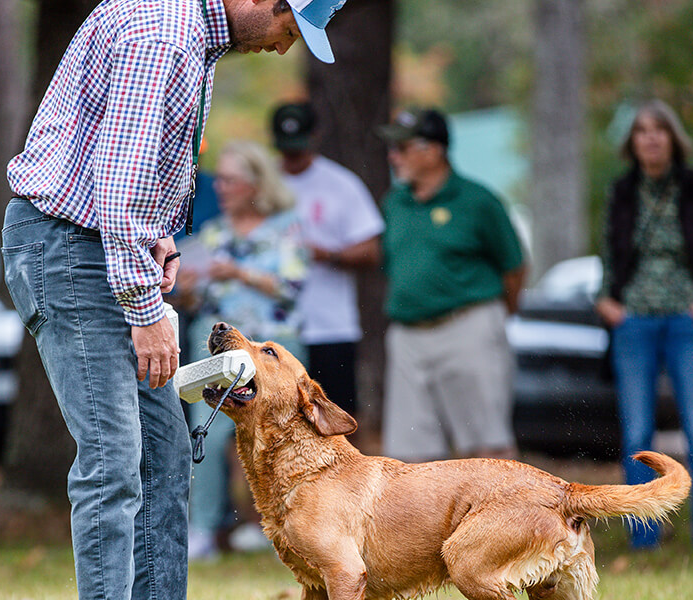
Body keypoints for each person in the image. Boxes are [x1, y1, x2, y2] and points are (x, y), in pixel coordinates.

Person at [1, 1, 349, 597]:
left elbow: (123, 179)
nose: (284, 46)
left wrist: (159, 240)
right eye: (290, 29)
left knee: (163, 457)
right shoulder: (163, 37)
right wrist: (146, 310)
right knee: (113, 463)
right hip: (70, 252)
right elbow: (113, 192)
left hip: (106, 248)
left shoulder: (196, 42)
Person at [595, 99, 693, 552]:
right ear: (632, 142)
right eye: (642, 131)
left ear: (673, 138)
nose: (651, 138)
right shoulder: (623, 191)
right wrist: (606, 300)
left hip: (687, 321)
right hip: (634, 322)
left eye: (660, 130)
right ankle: (644, 538)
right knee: (636, 433)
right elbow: (609, 255)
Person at [176, 139, 307, 559]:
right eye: (222, 180)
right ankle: (203, 529)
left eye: (231, 180)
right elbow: (195, 301)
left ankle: (289, 526)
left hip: (273, 347)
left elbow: (293, 287)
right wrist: (189, 292)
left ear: (255, 184)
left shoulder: (286, 227)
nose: (222, 187)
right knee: (208, 436)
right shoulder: (211, 233)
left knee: (280, 436)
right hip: (216, 353)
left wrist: (238, 272)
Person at [377, 108, 526, 463]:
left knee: (487, 449)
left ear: (433, 150)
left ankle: (507, 519)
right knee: (410, 457)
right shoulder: (394, 203)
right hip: (407, 336)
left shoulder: (478, 201)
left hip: (467, 327)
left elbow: (514, 267)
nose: (392, 156)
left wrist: (493, 318)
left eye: (402, 147)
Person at [271, 102, 383, 417]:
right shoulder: (263, 181)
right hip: (275, 326)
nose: (292, 157)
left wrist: (327, 253)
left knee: (335, 417)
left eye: (299, 148)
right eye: (285, 149)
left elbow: (371, 250)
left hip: (329, 325)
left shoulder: (341, 184)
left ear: (315, 137)